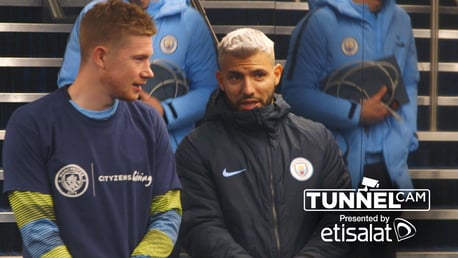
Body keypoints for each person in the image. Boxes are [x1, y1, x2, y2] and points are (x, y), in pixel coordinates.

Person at [2, 1, 181, 257]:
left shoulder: (151, 122)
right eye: (139, 59)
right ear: (100, 56)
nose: (149, 72)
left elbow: (168, 212)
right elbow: (36, 226)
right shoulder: (31, 124)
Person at [175, 27, 352, 258]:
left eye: (259, 75)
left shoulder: (317, 140)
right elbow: (199, 226)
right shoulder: (195, 148)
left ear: (276, 74)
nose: (248, 89)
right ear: (221, 80)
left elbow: (340, 220)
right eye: (235, 77)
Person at [281, 0, 420, 257]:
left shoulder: (401, 20)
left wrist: (405, 139)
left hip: (389, 172)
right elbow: (294, 94)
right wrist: (355, 113)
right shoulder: (319, 22)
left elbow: (409, 81)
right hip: (338, 169)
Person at [58, 0, 218, 151]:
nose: (147, 72)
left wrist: (164, 112)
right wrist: (113, 113)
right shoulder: (95, 14)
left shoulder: (190, 21)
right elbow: (71, 82)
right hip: (104, 144)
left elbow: (210, 90)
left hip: (167, 149)